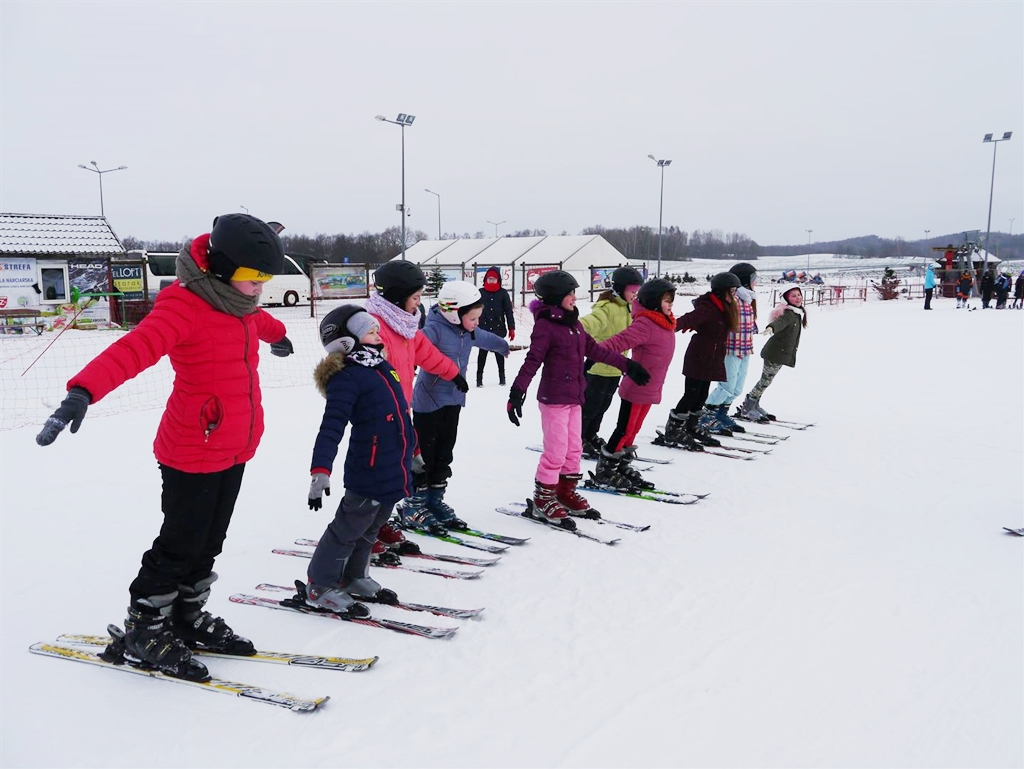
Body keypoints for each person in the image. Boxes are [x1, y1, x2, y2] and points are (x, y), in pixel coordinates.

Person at [35, 214, 293, 682]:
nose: (258, 289)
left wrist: (280, 336)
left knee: (210, 540)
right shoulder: (184, 306)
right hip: (191, 448)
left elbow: (262, 321)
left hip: (234, 446)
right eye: (252, 278)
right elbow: (133, 349)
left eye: (264, 280)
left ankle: (186, 616)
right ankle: (145, 627)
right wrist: (82, 391)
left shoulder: (241, 303)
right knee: (180, 543)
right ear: (221, 269)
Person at [506, 270, 650, 522]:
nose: (574, 297)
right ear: (556, 297)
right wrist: (517, 391)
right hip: (553, 399)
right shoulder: (546, 327)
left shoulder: (574, 325)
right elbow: (532, 361)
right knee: (556, 450)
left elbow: (595, 350)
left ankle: (564, 492)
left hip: (574, 397)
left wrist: (628, 365)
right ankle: (543, 498)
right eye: (570, 293)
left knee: (574, 448)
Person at [303, 305, 415, 614]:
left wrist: (414, 453)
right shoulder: (347, 377)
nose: (378, 334)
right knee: (348, 530)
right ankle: (320, 585)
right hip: (369, 469)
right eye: (369, 331)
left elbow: (402, 416)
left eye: (376, 329)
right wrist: (321, 469)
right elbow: (331, 427)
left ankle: (354, 576)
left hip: (394, 467)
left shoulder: (382, 367)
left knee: (371, 529)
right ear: (346, 340)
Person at [363, 261, 467, 537]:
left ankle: (380, 523)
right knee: (378, 472)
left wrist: (453, 373)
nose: (419, 304)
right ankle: (367, 528)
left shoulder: (406, 327)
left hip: (400, 413)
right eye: (416, 297)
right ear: (398, 297)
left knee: (398, 470)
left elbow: (428, 354)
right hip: (377, 417)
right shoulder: (374, 329)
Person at [404, 281, 510, 530]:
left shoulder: (468, 331)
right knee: (424, 456)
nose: (476, 323)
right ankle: (413, 505)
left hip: (453, 401)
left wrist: (503, 346)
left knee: (444, 453)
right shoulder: (434, 330)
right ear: (454, 313)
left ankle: (434, 501)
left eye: (478, 318)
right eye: (473, 318)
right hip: (428, 403)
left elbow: (486, 338)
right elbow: (416, 349)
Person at [592, 277, 678, 491]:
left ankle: (620, 465)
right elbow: (619, 341)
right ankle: (605, 470)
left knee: (634, 430)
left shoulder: (665, 321)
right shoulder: (646, 323)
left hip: (651, 386)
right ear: (654, 301)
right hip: (636, 387)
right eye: (666, 300)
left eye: (671, 300)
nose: (670, 305)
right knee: (624, 429)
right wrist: (594, 353)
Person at [660, 272, 741, 451]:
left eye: (735, 291)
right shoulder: (708, 307)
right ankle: (674, 429)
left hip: (712, 357)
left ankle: (691, 425)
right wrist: (664, 327)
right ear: (721, 291)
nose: (734, 295)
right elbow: (686, 320)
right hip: (699, 356)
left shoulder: (723, 307)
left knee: (702, 394)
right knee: (691, 394)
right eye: (731, 291)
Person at [579, 266, 643, 459]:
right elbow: (592, 322)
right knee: (590, 407)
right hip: (598, 368)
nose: (635, 294)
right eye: (632, 290)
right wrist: (575, 327)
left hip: (615, 369)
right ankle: (579, 438)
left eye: (637, 291)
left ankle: (591, 435)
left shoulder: (628, 307)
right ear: (620, 289)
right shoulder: (607, 307)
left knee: (602, 407)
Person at [737, 283, 808, 422]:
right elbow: (780, 322)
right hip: (774, 354)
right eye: (793, 296)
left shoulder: (796, 313)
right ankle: (748, 406)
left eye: (799, 295)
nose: (798, 298)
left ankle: (754, 404)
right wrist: (771, 328)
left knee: (766, 381)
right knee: (765, 381)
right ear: (786, 299)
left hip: (779, 354)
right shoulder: (789, 314)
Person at [701, 262, 758, 435]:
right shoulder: (732, 299)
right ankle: (705, 416)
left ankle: (721, 414)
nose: (756, 282)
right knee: (726, 386)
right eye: (754, 278)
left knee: (737, 388)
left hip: (745, 349)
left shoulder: (748, 299)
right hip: (731, 349)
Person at [475, 266, 515, 387]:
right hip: (484, 328)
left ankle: (502, 378)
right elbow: (474, 309)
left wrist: (511, 328)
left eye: (494, 279)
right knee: (482, 353)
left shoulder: (503, 293)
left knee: (499, 353)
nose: (491, 281)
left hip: (498, 328)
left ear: (498, 280)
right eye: (489, 279)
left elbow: (508, 311)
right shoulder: (480, 293)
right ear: (485, 280)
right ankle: (479, 379)